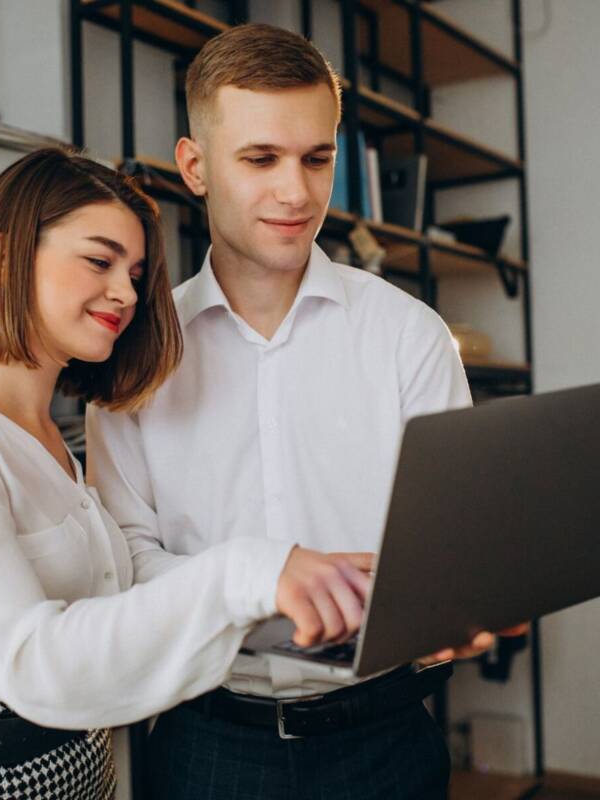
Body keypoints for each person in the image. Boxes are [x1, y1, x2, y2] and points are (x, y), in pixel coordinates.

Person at [86, 24, 523, 800]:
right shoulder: (136, 355)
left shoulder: (408, 334)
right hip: (208, 744)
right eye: (260, 159)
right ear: (195, 166)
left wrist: (475, 594)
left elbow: (454, 541)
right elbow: (128, 571)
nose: (296, 192)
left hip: (386, 741)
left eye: (316, 158)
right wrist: (264, 583)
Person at [0, 147, 374, 800]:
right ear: (3, 257)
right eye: (99, 261)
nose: (127, 293)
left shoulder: (51, 435)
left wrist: (298, 586)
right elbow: (30, 659)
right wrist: (246, 571)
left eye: (134, 273)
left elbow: (118, 596)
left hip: (78, 771)